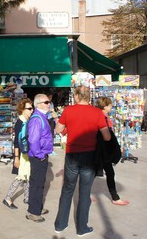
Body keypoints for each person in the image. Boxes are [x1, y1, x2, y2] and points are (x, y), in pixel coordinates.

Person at [54, 86, 111, 236]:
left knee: (67, 189)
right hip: (89, 156)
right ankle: (81, 228)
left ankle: (60, 225)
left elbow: (58, 130)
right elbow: (107, 137)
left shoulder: (68, 110)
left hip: (72, 154)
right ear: (88, 96)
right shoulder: (97, 112)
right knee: (85, 192)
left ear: (77, 96)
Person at [26, 94, 55, 223]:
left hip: (41, 154)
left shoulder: (42, 117)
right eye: (46, 102)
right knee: (37, 184)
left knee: (40, 183)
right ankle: (33, 211)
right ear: (38, 104)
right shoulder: (37, 119)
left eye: (49, 102)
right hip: (38, 156)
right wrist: (40, 154)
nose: (49, 104)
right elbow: (33, 140)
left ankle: (37, 207)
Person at [95, 97, 129, 206]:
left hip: (101, 149)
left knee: (94, 173)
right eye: (110, 105)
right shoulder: (102, 117)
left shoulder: (101, 116)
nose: (111, 107)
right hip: (103, 149)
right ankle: (115, 197)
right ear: (105, 106)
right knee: (108, 173)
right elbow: (107, 136)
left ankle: (85, 195)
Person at [3, 98, 34, 209]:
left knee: (27, 176)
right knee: (21, 177)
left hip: (27, 153)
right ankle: (7, 198)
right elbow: (16, 142)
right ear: (22, 109)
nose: (32, 110)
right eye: (29, 108)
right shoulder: (20, 123)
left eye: (32, 108)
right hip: (22, 154)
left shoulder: (28, 121)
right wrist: (16, 157)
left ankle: (27, 198)